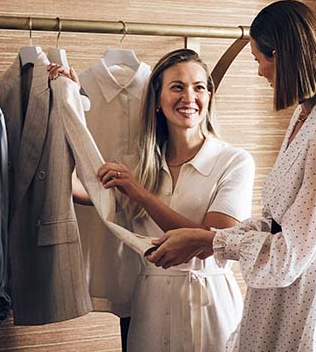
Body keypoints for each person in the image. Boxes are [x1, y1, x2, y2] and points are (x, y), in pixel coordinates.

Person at [146, 0, 316, 352]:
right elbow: (278, 224)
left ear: (281, 55)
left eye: (258, 60)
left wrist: (208, 241)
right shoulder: (305, 117)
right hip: (279, 298)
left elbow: (290, 252)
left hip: (309, 295)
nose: (259, 72)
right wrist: (211, 238)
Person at [49, 49, 255, 352]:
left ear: (209, 96)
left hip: (212, 305)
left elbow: (209, 242)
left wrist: (139, 193)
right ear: (157, 101)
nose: (189, 97)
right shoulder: (139, 163)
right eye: (177, 87)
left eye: (199, 87)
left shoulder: (234, 161)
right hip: (150, 305)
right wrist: (66, 103)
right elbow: (82, 189)